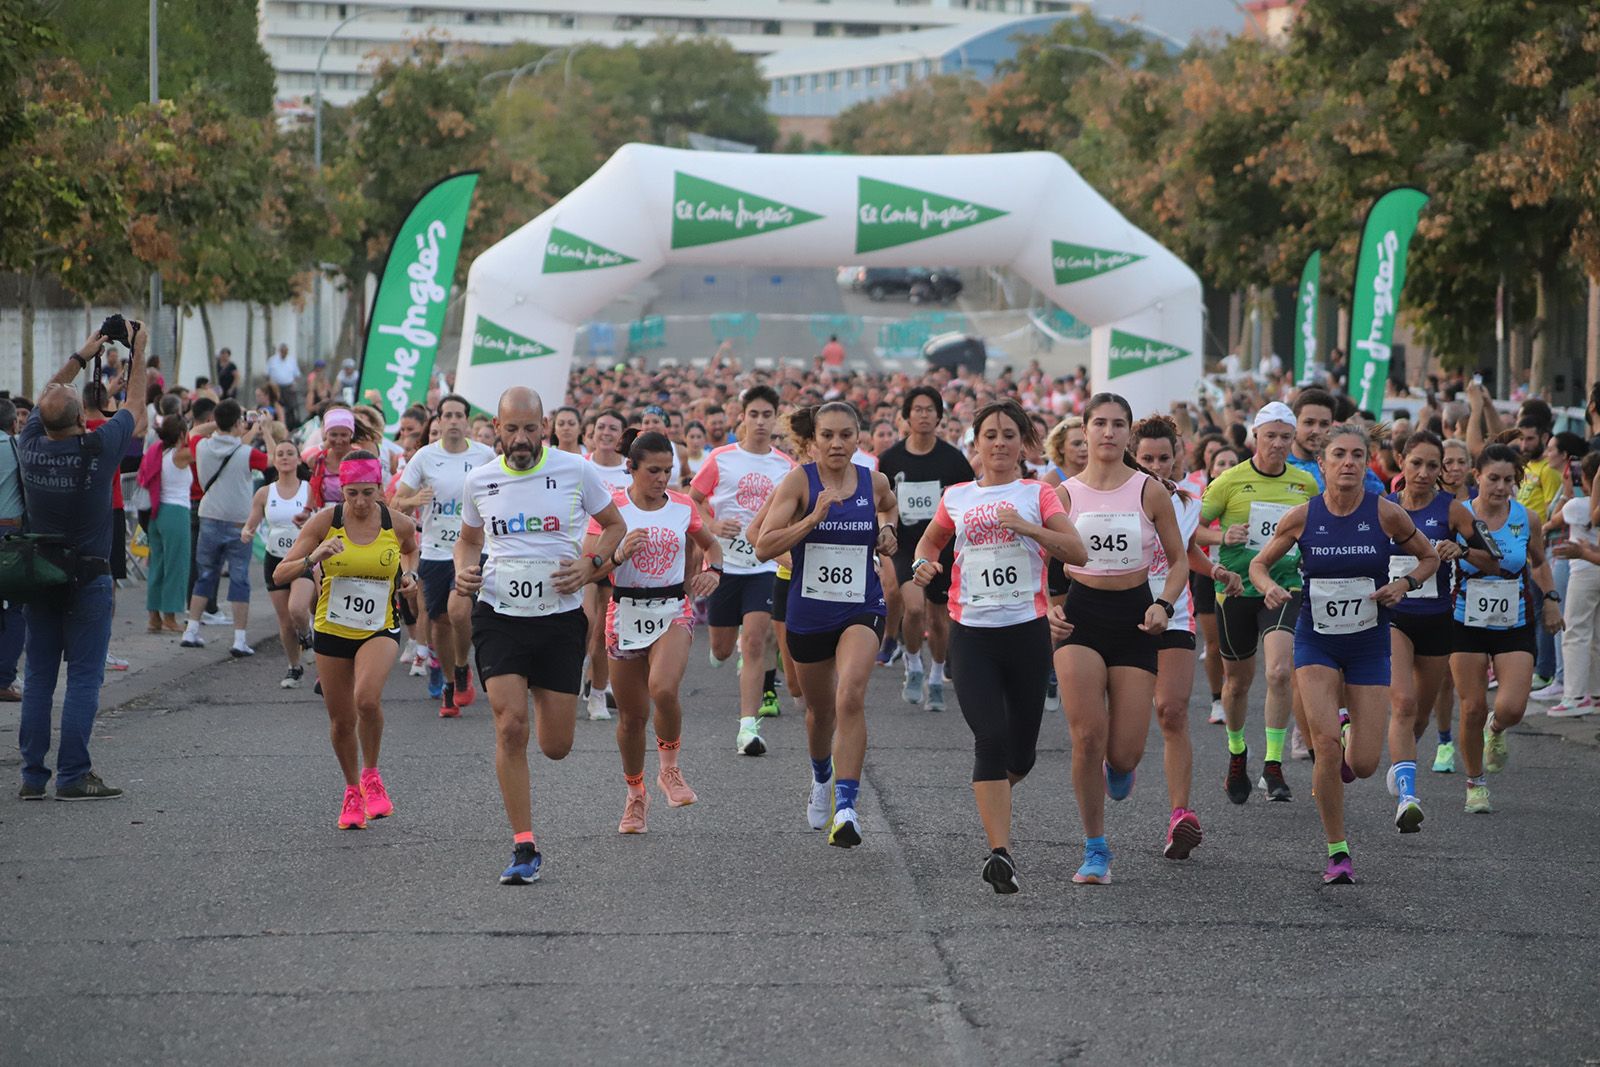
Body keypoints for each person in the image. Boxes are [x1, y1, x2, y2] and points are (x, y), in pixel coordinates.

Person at [1249, 423, 1438, 884]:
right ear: (1323, 464)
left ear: (1367, 462)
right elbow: (1258, 563)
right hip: (1316, 640)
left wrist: (1405, 584)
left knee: (1366, 763)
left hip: (1369, 642)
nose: (1349, 462)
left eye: (1357, 454)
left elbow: (1429, 557)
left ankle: (1352, 733)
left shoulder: (1386, 514)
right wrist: (1270, 587)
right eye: (1339, 454)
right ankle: (1338, 851)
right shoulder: (1302, 516)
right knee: (1327, 748)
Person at [454, 387, 625, 885]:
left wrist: (592, 564)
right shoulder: (480, 480)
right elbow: (469, 540)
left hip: (559, 617)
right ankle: (524, 845)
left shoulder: (577, 470)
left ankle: (546, 707)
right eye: (512, 429)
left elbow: (613, 526)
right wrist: (466, 570)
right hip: (499, 613)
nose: (522, 438)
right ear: (497, 428)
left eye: (531, 428)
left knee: (555, 746)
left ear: (545, 426)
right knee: (510, 726)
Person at [913, 400, 1085, 893]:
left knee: (1022, 755)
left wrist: (1029, 528)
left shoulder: (1039, 493)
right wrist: (921, 566)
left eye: (1010, 434)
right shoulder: (956, 497)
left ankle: (990, 795)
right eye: (990, 434)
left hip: (1027, 633)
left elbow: (1077, 551)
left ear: (1023, 442)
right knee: (988, 739)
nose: (1000, 443)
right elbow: (929, 545)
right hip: (971, 632)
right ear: (977, 443)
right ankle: (1001, 854)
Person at [1051, 394, 1191, 885]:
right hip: (1081, 618)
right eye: (1099, 424)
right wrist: (1048, 605)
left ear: (1128, 434)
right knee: (1086, 735)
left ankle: (1120, 766)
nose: (1108, 433)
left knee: (1124, 753)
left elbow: (1178, 561)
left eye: (1117, 425)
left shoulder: (1149, 492)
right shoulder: (1063, 494)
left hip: (1136, 618)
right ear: (1084, 431)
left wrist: (1164, 605)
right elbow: (1046, 564)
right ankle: (1095, 848)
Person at [756, 403, 897, 848]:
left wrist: (889, 531)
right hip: (809, 611)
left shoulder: (873, 481)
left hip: (861, 605)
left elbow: (890, 510)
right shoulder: (800, 481)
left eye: (846, 435)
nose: (837, 444)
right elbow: (763, 546)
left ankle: (847, 807)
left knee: (851, 693)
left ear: (860, 438)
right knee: (819, 713)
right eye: (828, 436)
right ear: (813, 439)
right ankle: (821, 776)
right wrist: (813, 519)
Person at [16, 324, 148, 800]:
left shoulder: (30, 445)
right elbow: (134, 410)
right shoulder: (98, 448)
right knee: (85, 678)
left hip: (41, 574)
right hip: (89, 576)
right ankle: (73, 775)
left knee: (38, 679)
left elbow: (46, 397)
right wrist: (138, 350)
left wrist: (79, 355)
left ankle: (32, 777)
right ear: (81, 419)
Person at [274, 451, 419, 829]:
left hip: (380, 626)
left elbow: (411, 550)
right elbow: (279, 572)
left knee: (366, 698)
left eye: (367, 493)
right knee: (341, 722)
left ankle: (371, 774)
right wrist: (314, 557)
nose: (358, 502)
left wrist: (410, 577)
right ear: (342, 489)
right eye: (351, 493)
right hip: (333, 628)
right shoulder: (327, 521)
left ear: (379, 491)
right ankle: (352, 789)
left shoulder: (396, 523)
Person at [589, 429, 722, 832]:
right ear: (631, 468)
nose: (662, 478)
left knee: (663, 688)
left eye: (668, 470)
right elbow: (589, 566)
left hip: (672, 610)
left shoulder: (682, 506)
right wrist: (617, 554)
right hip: (624, 611)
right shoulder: (611, 509)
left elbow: (711, 546)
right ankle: (635, 795)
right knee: (632, 717)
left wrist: (712, 571)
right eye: (653, 471)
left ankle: (670, 770)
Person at [1132, 416, 1243, 860]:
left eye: (1165, 457)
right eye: (1147, 459)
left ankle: (1181, 815)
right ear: (1131, 457)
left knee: (1172, 711)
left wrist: (1214, 569)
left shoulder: (1186, 500)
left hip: (1174, 614)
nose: (1157, 467)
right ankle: (1118, 764)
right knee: (1125, 725)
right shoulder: (1117, 499)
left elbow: (1185, 551)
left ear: (1178, 455)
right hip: (1122, 615)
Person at [1201, 402, 1318, 804]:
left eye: (1286, 437)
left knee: (1281, 671)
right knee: (1237, 683)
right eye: (1271, 436)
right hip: (1235, 590)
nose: (1278, 444)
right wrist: (1221, 537)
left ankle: (1272, 763)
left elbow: (1318, 531)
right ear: (1255, 436)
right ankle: (1237, 752)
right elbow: (1188, 530)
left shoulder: (1305, 485)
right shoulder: (1229, 481)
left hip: (1283, 587)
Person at [1451, 443, 1563, 815]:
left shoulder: (1526, 518)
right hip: (1463, 620)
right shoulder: (1458, 515)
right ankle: (1475, 782)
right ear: (1477, 477)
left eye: (1508, 480)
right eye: (1493, 479)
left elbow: (1539, 562)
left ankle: (1495, 730)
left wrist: (1550, 599)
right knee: (1471, 707)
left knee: (1512, 707)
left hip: (1514, 619)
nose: (1501, 487)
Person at [690, 385, 796, 754]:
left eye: (768, 415)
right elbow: (694, 502)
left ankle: (747, 728)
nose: (761, 422)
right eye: (755, 414)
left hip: (763, 565)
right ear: (743, 417)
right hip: (724, 564)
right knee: (721, 649)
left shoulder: (786, 467)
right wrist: (713, 526)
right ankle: (724, 650)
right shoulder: (721, 458)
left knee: (754, 640)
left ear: (776, 419)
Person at [1383, 431, 1476, 830]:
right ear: (1401, 461)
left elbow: (1493, 558)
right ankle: (1407, 797)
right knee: (1402, 704)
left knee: (1419, 716)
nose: (1423, 472)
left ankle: (1402, 764)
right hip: (1394, 618)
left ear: (1442, 471)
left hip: (1438, 622)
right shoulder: (1383, 509)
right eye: (1416, 463)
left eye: (1432, 466)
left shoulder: (1452, 510)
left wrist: (1464, 550)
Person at [393, 395, 496, 715]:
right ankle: (451, 685)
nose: (453, 420)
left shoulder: (485, 455)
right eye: (447, 415)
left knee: (459, 610)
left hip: (472, 547)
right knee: (438, 620)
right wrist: (415, 500)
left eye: (458, 415)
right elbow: (397, 502)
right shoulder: (425, 457)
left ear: (466, 421)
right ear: (438, 421)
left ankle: (464, 668)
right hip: (435, 550)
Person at [878, 386, 974, 712]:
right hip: (907, 546)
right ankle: (913, 663)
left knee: (938, 618)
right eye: (917, 409)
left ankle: (936, 675)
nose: (923, 415)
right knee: (915, 609)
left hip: (943, 548)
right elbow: (881, 502)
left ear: (938, 416)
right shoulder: (890, 459)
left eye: (929, 409)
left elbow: (968, 502)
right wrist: (884, 530)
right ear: (906, 416)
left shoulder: (953, 460)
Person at [181, 399, 273, 656]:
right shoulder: (247, 454)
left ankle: (191, 630)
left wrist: (224, 422)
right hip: (238, 522)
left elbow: (195, 431)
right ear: (237, 424)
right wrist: (263, 429)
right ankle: (239, 639)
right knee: (240, 578)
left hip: (209, 516)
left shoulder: (202, 446)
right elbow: (272, 460)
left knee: (205, 575)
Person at [245, 440, 316, 688]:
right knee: (285, 621)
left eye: (290, 453)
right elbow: (252, 521)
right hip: (275, 558)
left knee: (298, 609)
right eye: (280, 454)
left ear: (298, 459)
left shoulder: (309, 489)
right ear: (274, 460)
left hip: (304, 556)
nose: (285, 457)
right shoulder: (265, 493)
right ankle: (294, 667)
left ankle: (307, 637)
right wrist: (246, 531)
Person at [581, 409, 630, 720]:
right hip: (582, 553)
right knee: (583, 621)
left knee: (603, 630)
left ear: (622, 436)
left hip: (617, 557)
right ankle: (578, 667)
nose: (606, 432)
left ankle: (598, 694)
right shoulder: (579, 466)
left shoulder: (629, 471)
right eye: (601, 427)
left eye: (613, 428)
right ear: (592, 432)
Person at [1549, 453, 1600, 716]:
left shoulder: (1576, 506)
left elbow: (1553, 519)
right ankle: (1595, 693)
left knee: (1576, 632)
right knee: (1596, 635)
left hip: (1584, 570)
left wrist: (1568, 491)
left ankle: (1575, 695)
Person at [136, 415, 193, 634]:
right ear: (181, 434)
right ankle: (170, 616)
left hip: (156, 512)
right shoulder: (181, 454)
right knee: (176, 565)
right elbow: (199, 442)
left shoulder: (159, 453)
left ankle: (154, 616)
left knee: (158, 564)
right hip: (176, 512)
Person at [0, 396, 27, 702]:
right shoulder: (15, 447)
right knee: (15, 607)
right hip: (9, 530)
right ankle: (4, 677)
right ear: (12, 423)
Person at [266, 343, 301, 427]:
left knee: (290, 406)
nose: (284, 353)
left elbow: (297, 374)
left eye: (285, 351)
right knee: (276, 405)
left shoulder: (292, 360)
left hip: (288, 387)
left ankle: (290, 424)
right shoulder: (272, 360)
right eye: (282, 351)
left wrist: (294, 384)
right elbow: (267, 374)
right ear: (279, 351)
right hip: (276, 387)